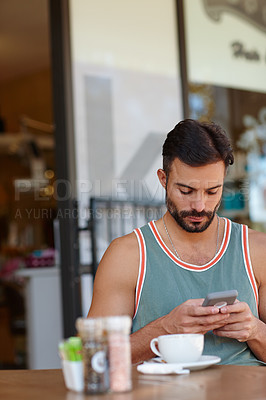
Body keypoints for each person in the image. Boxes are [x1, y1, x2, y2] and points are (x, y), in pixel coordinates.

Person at [88, 119, 266, 365]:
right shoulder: (127, 256)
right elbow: (94, 359)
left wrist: (255, 330)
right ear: (163, 179)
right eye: (186, 191)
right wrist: (165, 328)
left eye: (212, 191)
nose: (200, 206)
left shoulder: (257, 250)